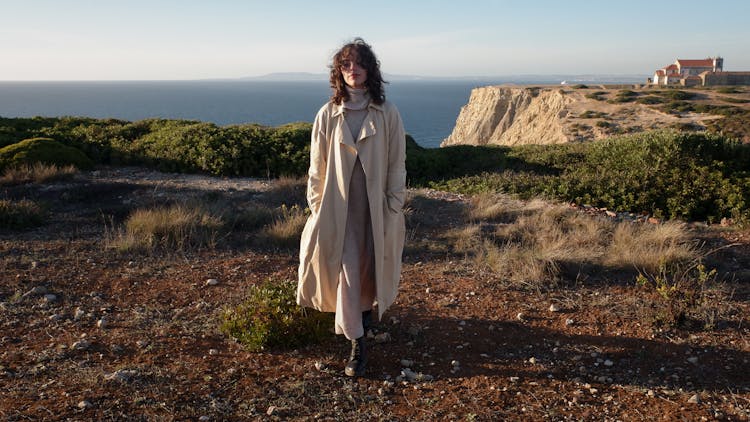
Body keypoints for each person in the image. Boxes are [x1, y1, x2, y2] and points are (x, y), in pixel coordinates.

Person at [297, 38, 406, 377]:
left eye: (359, 64)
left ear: (370, 70)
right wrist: (317, 206)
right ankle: (357, 345)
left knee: (368, 269)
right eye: (346, 65)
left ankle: (362, 325)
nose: (352, 70)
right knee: (346, 270)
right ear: (338, 72)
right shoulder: (327, 114)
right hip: (337, 209)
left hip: (373, 209)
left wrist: (393, 205)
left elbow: (396, 164)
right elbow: (317, 168)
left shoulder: (387, 113)